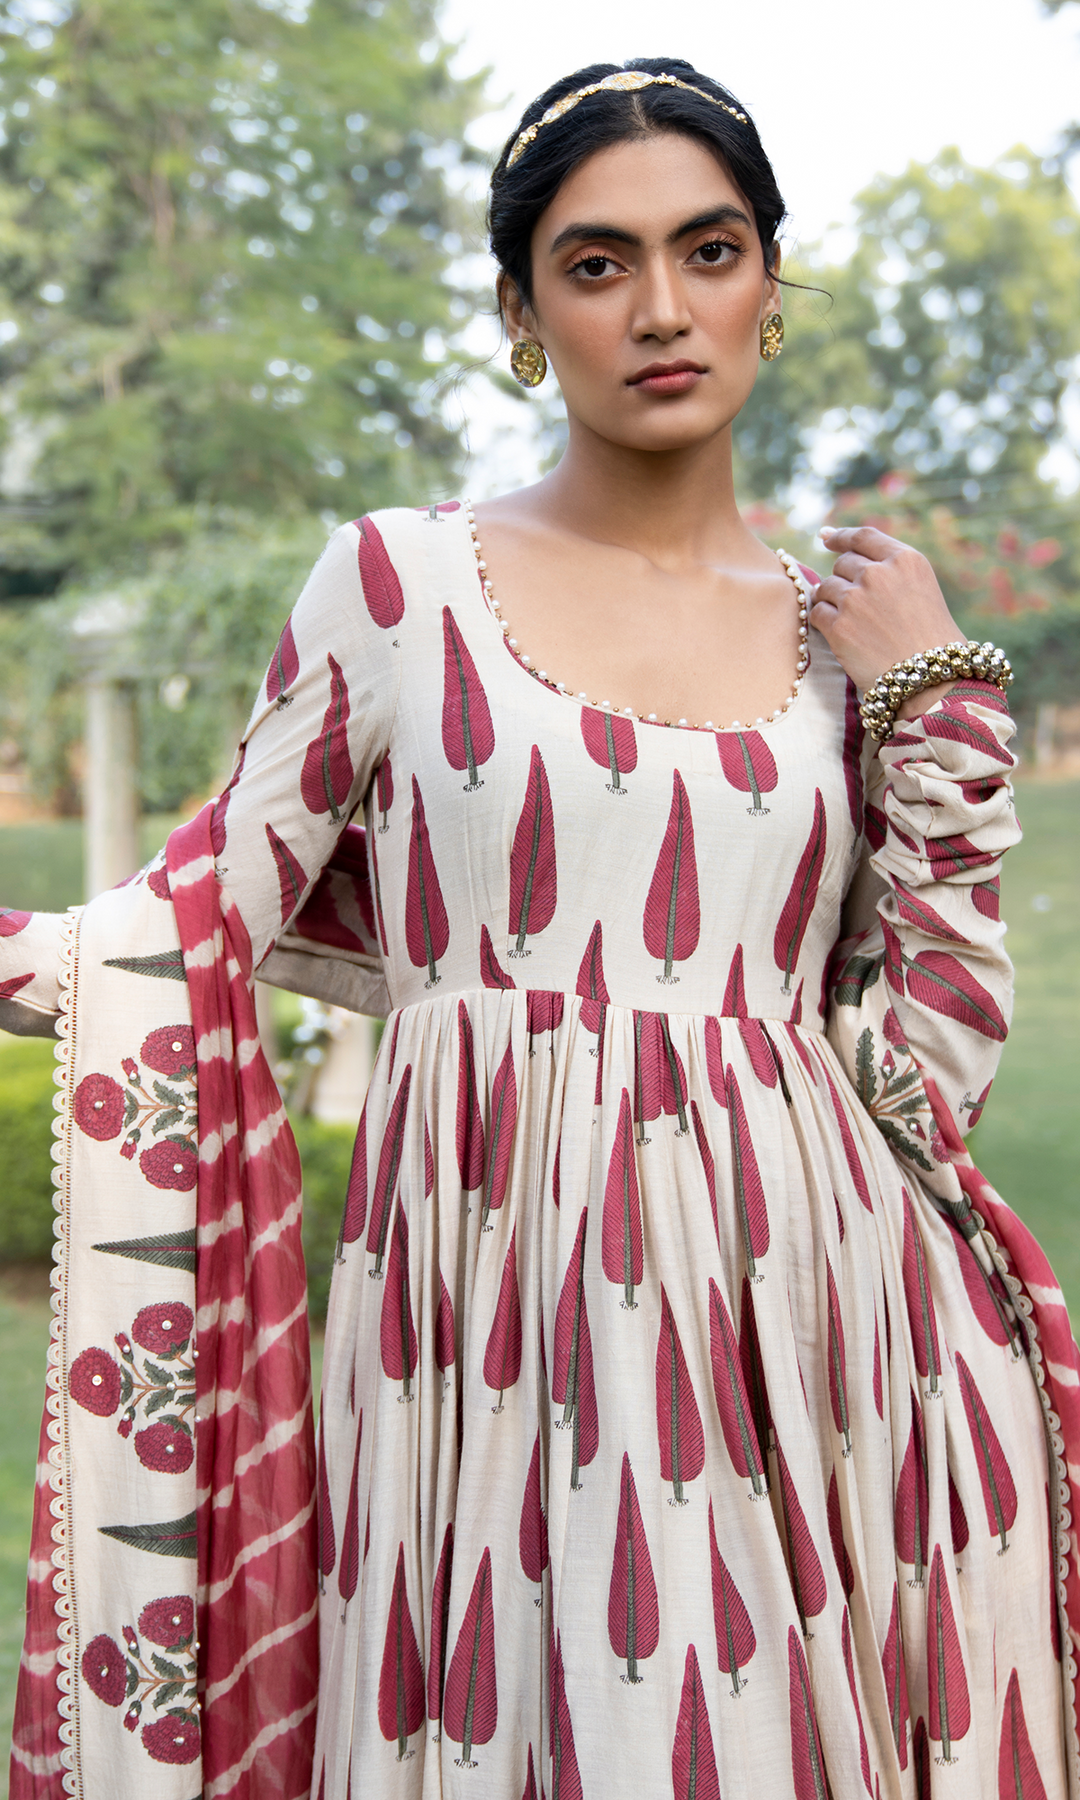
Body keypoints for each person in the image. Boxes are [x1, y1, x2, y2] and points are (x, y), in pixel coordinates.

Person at [7, 55, 1080, 1800]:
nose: (661, 308)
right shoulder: (399, 585)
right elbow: (180, 928)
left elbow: (925, 1077)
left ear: (769, 283)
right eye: (596, 264)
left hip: (808, 1338)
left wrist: (933, 711)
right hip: (484, 1328)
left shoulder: (853, 643)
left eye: (709, 250)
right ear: (521, 311)